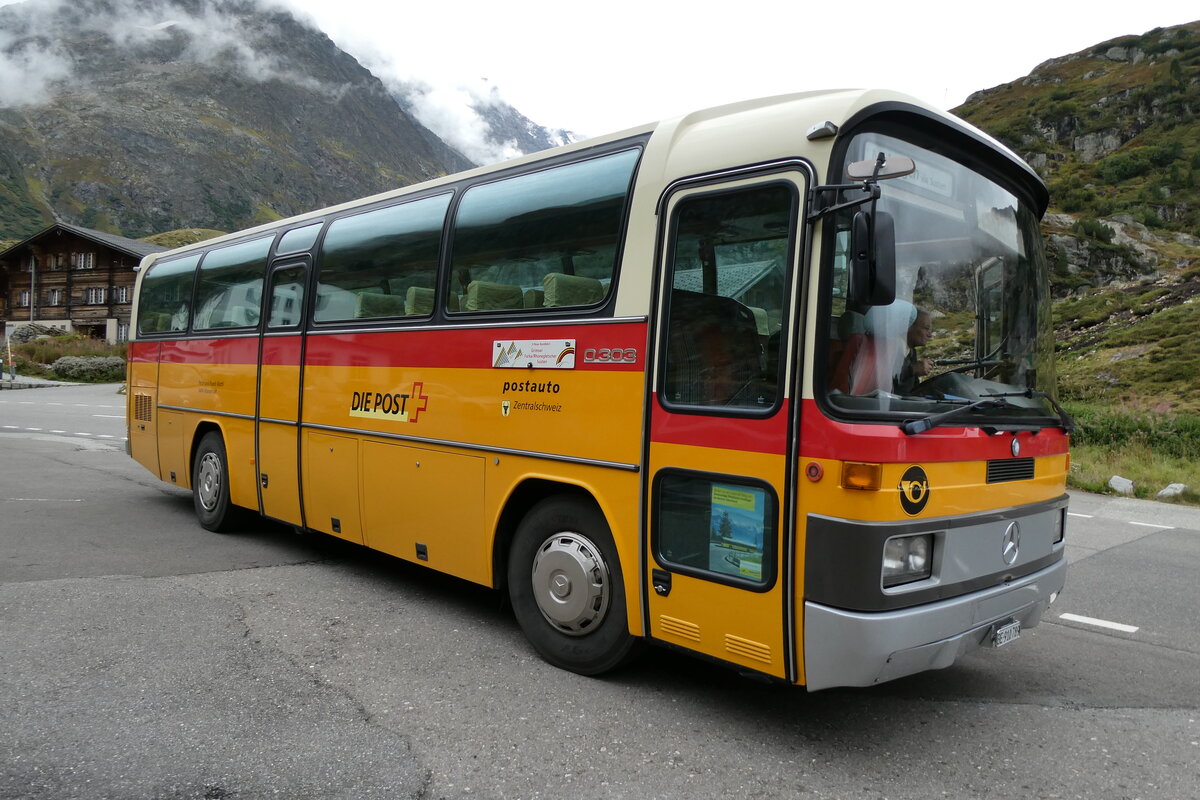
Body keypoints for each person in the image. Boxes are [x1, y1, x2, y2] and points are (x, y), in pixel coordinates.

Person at [895, 308, 934, 395]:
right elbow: (884, 380)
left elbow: (913, 389)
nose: (930, 335)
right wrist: (913, 369)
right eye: (926, 328)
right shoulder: (889, 349)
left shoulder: (911, 352)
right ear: (908, 326)